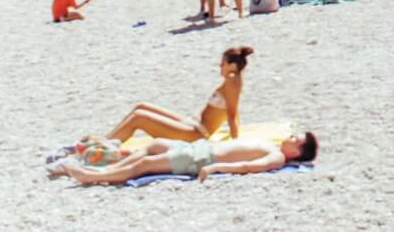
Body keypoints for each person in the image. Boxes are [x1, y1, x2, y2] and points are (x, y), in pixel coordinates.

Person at [100, 46, 252, 143]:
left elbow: (232, 113)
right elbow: (233, 109)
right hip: (193, 124)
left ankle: (105, 145)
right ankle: (107, 139)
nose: (220, 66)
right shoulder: (232, 79)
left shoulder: (232, 80)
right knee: (141, 107)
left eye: (223, 63)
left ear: (232, 65)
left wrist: (235, 142)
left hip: (196, 134)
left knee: (139, 117)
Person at [50, 132, 318, 186]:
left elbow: (248, 166)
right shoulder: (274, 145)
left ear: (296, 152)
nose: (292, 136)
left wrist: (215, 168)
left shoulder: (276, 157)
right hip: (200, 147)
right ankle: (107, 167)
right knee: (154, 145)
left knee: (144, 165)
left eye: (297, 139)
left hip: (201, 157)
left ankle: (94, 176)